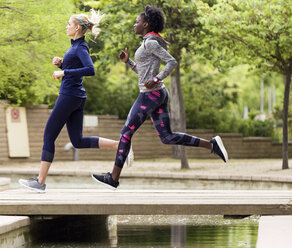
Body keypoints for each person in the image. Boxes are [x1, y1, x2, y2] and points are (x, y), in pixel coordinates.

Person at [92, 5, 228, 190]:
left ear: (146, 24)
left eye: (137, 22)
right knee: (167, 137)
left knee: (126, 133)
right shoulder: (147, 42)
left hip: (151, 95)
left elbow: (172, 61)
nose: (134, 24)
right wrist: (129, 62)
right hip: (158, 94)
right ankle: (211, 145)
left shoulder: (150, 43)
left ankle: (113, 178)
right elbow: (143, 73)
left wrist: (157, 78)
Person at [19, 9, 133, 193]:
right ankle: (121, 145)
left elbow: (90, 69)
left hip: (70, 95)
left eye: (69, 24)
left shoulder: (80, 47)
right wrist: (62, 64)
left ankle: (40, 182)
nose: (66, 26)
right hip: (76, 96)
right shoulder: (75, 47)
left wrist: (64, 72)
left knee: (48, 136)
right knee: (77, 141)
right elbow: (77, 67)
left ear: (77, 28)